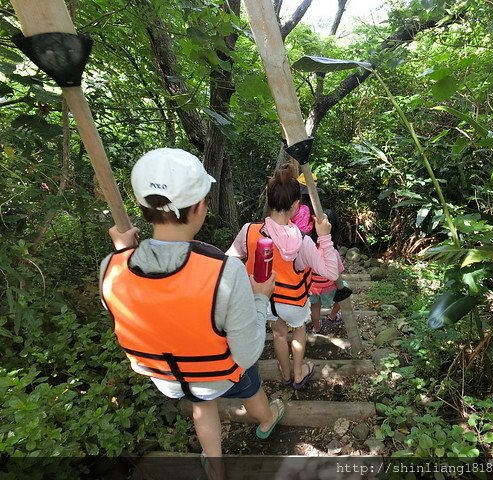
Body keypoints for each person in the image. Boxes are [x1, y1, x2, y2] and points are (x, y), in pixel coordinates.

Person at [99, 148, 284, 480]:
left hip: (170, 380)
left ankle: (214, 464)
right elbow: (248, 352)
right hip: (220, 372)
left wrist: (124, 252)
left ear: (143, 208)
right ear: (200, 207)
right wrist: (259, 298)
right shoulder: (224, 271)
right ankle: (268, 419)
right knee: (249, 386)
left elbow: (139, 293)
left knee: (201, 401)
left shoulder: (110, 269)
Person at [227, 164, 340, 390]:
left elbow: (229, 259)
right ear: (296, 205)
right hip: (293, 302)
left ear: (269, 201)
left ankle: (286, 373)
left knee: (278, 334)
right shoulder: (303, 241)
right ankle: (298, 374)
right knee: (298, 330)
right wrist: (325, 237)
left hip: (264, 301)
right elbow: (331, 272)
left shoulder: (248, 230)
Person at [290, 174, 351, 334]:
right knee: (345, 290)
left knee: (315, 305)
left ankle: (316, 327)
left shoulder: (295, 209)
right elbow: (337, 272)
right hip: (329, 286)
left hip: (312, 286)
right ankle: (332, 315)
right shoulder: (332, 252)